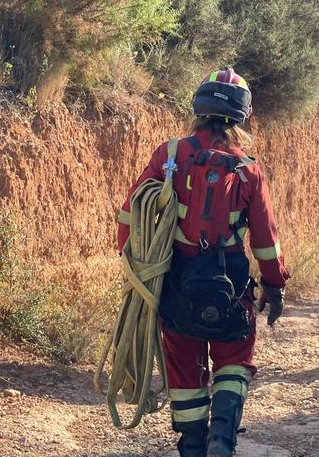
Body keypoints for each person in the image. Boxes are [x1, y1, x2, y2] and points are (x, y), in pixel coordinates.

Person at [116, 68, 290, 457]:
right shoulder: (249, 170)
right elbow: (266, 238)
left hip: (175, 278)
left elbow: (130, 212)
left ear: (198, 108)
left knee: (183, 365)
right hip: (231, 277)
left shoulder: (171, 155)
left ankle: (193, 446)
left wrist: (136, 269)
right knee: (234, 360)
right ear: (243, 115)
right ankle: (221, 441)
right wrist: (275, 286)